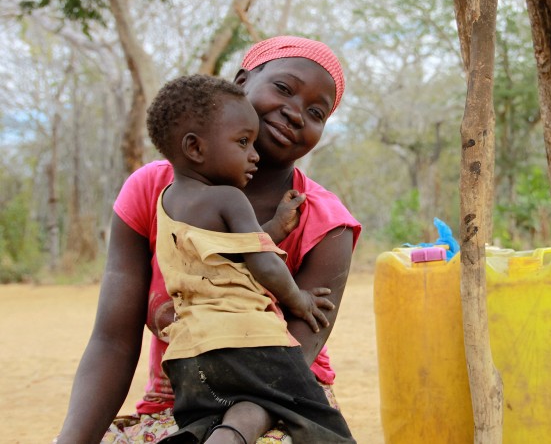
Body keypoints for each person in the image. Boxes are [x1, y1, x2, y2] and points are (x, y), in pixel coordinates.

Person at [56, 36, 361, 444]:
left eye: (316, 112)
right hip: (183, 396)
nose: (294, 112)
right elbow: (112, 339)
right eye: (284, 89)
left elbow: (294, 361)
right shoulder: (151, 191)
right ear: (241, 81)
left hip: (284, 401)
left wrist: (236, 430)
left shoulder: (324, 221)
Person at [146, 73, 356, 443]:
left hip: (187, 355)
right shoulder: (229, 199)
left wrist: (275, 227)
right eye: (244, 143)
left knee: (205, 417)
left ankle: (213, 436)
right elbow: (261, 262)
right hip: (247, 343)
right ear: (196, 149)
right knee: (319, 421)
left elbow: (229, 250)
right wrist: (299, 299)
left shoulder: (167, 204)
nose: (254, 154)